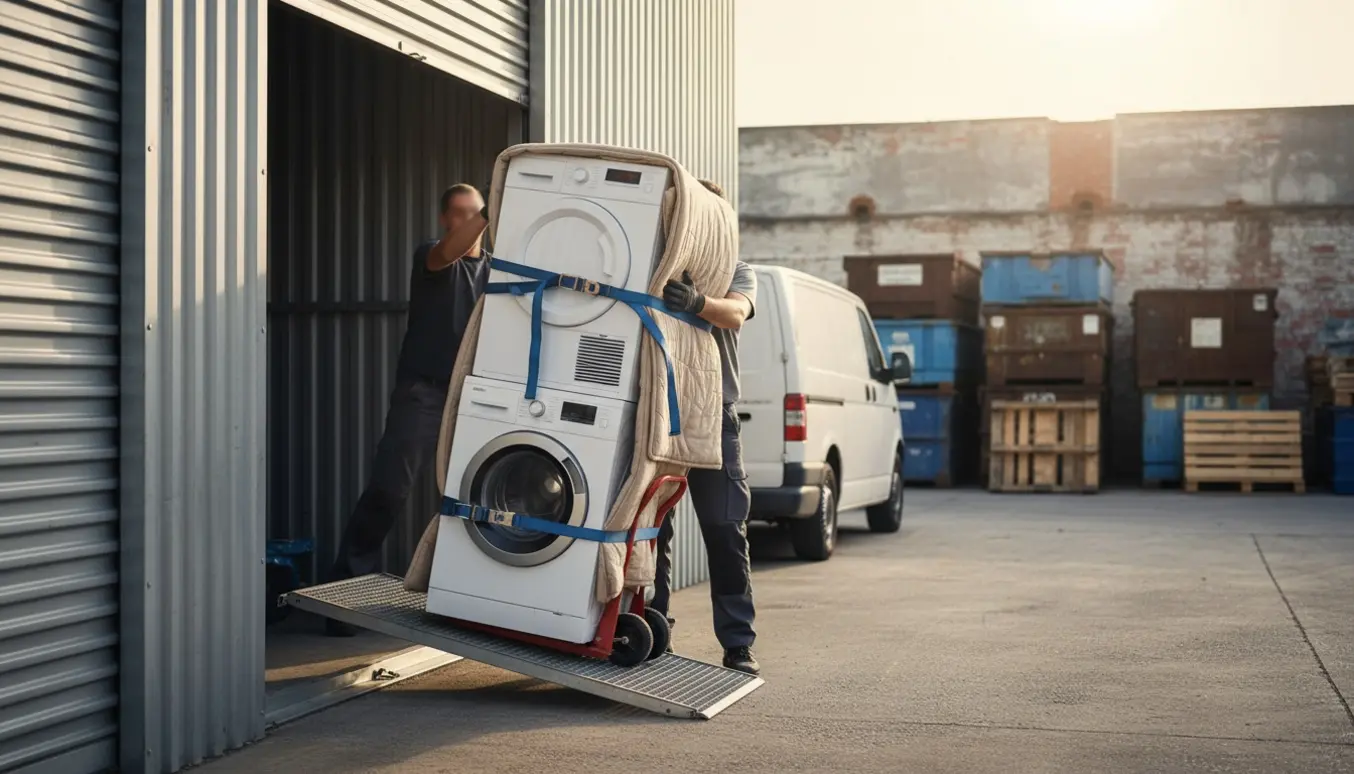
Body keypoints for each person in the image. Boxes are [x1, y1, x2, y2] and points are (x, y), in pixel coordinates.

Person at [326, 183, 491, 637]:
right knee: (388, 490)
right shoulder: (432, 258)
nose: (466, 222)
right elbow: (452, 250)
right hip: (422, 393)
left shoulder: (498, 274)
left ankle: (461, 602)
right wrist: (489, 212)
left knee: (472, 499)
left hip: (471, 400)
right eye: (458, 214)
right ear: (445, 220)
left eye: (473, 213)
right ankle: (344, 595)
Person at [650, 245, 761, 676]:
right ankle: (654, 629)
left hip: (715, 416)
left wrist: (698, 303)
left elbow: (734, 313)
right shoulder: (660, 262)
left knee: (726, 530)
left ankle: (738, 644)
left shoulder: (738, 269)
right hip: (661, 412)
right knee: (652, 527)